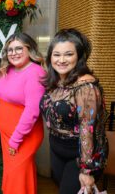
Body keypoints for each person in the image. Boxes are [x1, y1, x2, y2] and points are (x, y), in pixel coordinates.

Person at [40, 28, 108, 194]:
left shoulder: (86, 87)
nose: (61, 60)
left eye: (68, 54)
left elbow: (88, 128)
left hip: (79, 157)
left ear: (78, 57)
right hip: (57, 150)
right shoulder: (55, 82)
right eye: (56, 55)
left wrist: (87, 170)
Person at [0, 32, 45, 194]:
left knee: (18, 173)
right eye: (10, 50)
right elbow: (0, 95)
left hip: (23, 136)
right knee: (15, 174)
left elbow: (32, 111)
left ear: (29, 50)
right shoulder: (7, 70)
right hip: (6, 134)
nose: (13, 53)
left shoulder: (35, 72)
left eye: (18, 49)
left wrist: (15, 140)